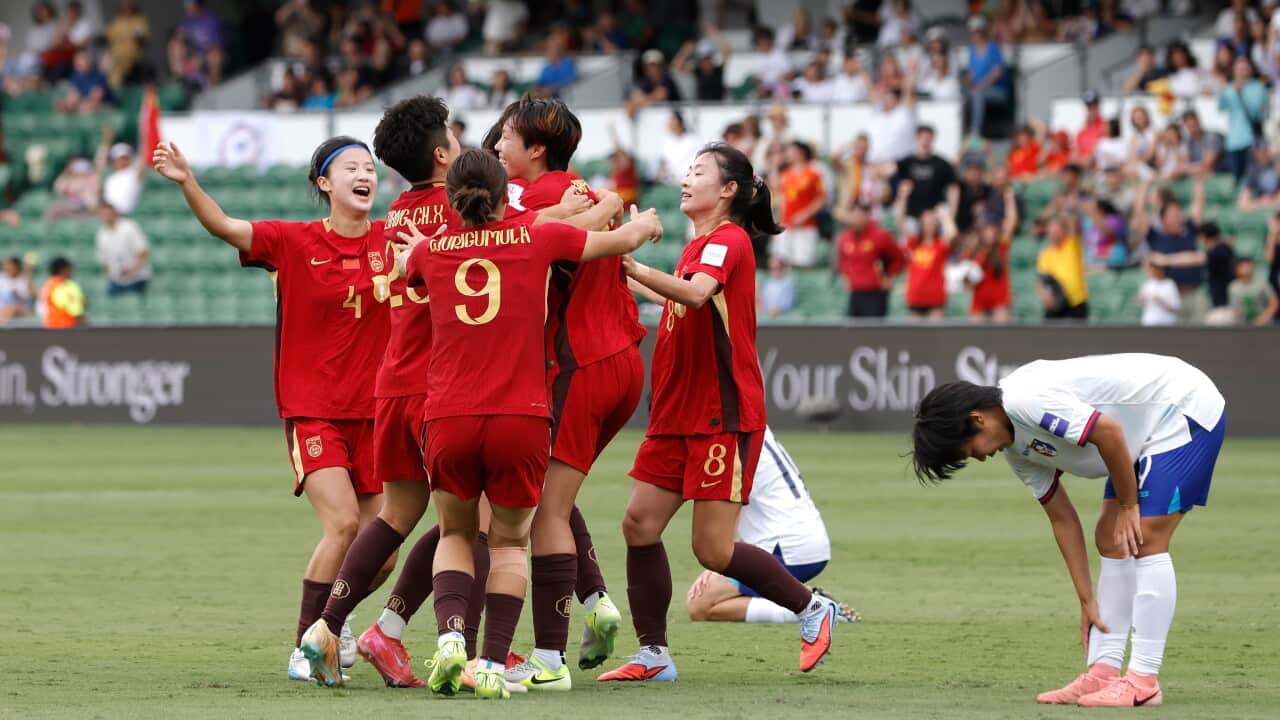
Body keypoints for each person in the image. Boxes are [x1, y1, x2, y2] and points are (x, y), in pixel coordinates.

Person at [395, 149, 661, 700]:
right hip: (520, 414)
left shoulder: (432, 250)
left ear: (452, 199)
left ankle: (449, 643)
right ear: (503, 196)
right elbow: (616, 243)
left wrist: (409, 258)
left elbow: (407, 271)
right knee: (512, 542)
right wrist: (641, 222)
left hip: (448, 414)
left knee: (456, 533)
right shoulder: (535, 238)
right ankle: (492, 663)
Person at [152, 136, 393, 684]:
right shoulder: (291, 241)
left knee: (380, 556)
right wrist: (189, 180)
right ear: (324, 184)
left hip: (377, 414)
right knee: (344, 525)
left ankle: (339, 615)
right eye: (350, 167)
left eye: (370, 167)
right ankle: (306, 646)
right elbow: (224, 227)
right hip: (313, 409)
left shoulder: (395, 239)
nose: (364, 174)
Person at [600, 142, 841, 683]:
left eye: (699, 172)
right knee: (639, 525)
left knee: (712, 549)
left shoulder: (728, 240)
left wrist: (629, 260)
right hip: (676, 415)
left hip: (719, 415)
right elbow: (680, 298)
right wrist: (627, 273)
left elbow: (694, 294)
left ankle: (811, 608)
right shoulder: (698, 244)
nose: (686, 179)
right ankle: (653, 656)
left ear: (729, 190)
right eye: (687, 170)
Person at [911, 354, 1226, 707]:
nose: (980, 457)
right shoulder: (1015, 451)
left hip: (1180, 405)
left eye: (970, 450)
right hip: (1139, 432)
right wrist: (1086, 598)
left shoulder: (1025, 400)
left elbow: (1108, 432)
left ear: (977, 419)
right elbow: (1061, 517)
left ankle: (1143, 682)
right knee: (1110, 538)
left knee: (1145, 537)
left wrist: (1128, 505)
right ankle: (1102, 673)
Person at [494, 97, 650, 691]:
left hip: (577, 365)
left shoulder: (532, 200)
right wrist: (613, 205)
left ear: (536, 149)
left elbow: (523, 238)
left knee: (542, 510)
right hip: (624, 363)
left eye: (507, 136)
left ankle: (550, 659)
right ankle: (597, 600)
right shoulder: (583, 190)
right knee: (549, 487)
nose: (498, 146)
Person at [686, 427, 857, 624]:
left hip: (785, 547)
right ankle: (809, 600)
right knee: (704, 599)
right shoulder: (749, 425)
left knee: (701, 605)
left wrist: (718, 561)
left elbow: (727, 498)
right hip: (800, 540)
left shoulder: (729, 431)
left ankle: (814, 607)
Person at [1134, 178, 1208, 323]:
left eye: (1178, 213)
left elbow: (1198, 205)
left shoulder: (1189, 231)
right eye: (1172, 214)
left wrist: (1198, 181)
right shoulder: (1156, 237)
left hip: (1194, 292)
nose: (1177, 217)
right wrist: (1144, 187)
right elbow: (1139, 214)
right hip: (1170, 296)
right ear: (1162, 219)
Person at [836, 200, 903, 319]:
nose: (856, 219)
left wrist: (890, 278)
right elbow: (843, 261)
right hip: (855, 292)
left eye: (860, 215)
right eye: (854, 215)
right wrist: (846, 275)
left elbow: (898, 258)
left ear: (867, 216)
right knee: (854, 333)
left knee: (874, 334)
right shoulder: (845, 238)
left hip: (875, 293)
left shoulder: (880, 236)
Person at [895, 190, 955, 322]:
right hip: (916, 297)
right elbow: (899, 221)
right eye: (926, 221)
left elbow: (952, 233)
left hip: (935, 298)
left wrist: (943, 216)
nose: (929, 225)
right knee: (916, 339)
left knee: (936, 338)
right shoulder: (914, 243)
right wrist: (903, 198)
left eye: (932, 222)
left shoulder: (940, 245)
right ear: (920, 223)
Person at [968, 189, 1018, 324]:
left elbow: (1011, 222)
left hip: (999, 301)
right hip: (979, 301)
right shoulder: (973, 251)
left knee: (1000, 338)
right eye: (986, 230)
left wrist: (1009, 200)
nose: (989, 233)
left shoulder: (1001, 247)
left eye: (992, 230)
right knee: (976, 340)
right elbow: (966, 279)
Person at [774, 141, 825, 269]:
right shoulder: (786, 174)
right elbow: (783, 198)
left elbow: (821, 199)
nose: (788, 154)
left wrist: (805, 214)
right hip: (787, 224)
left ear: (800, 153)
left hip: (806, 226)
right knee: (783, 260)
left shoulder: (813, 173)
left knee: (804, 262)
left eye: (792, 151)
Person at [1219, 55, 1267, 185]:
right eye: (1239, 68)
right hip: (1233, 141)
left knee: (1251, 180)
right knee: (1237, 180)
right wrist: (1223, 89)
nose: (1242, 71)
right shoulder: (1229, 88)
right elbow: (1221, 107)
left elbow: (1255, 113)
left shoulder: (1258, 87)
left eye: (1245, 68)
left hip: (1250, 140)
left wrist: (1240, 95)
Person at [893, 125, 958, 220]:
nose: (925, 141)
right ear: (917, 138)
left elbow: (953, 188)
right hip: (911, 216)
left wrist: (952, 215)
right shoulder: (906, 162)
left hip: (934, 217)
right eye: (922, 137)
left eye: (928, 138)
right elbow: (888, 171)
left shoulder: (942, 164)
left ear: (933, 139)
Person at [1037, 215, 1089, 321]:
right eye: (1051, 230)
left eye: (1057, 229)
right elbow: (1042, 280)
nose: (1054, 233)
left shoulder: (1073, 244)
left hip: (1076, 302)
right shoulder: (1045, 254)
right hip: (1057, 303)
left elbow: (1074, 225)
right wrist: (1045, 296)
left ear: (1064, 231)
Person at [965, 15, 1009, 138]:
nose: (974, 35)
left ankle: (975, 132)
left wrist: (981, 86)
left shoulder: (993, 47)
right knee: (963, 94)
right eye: (972, 32)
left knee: (977, 94)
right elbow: (971, 74)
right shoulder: (972, 50)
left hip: (997, 91)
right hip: (978, 89)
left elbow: (997, 72)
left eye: (976, 31)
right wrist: (967, 82)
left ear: (983, 31)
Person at [95, 201, 149, 295]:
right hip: (116, 281)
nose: (106, 216)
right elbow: (103, 260)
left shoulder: (129, 227)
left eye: (108, 213)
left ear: (114, 212)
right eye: (103, 214)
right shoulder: (102, 234)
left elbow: (142, 252)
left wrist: (132, 271)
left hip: (137, 279)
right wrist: (111, 275)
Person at [1201, 222, 1236, 321]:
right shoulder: (1224, 248)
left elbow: (1198, 258)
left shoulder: (1220, 250)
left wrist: (1167, 259)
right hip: (1220, 303)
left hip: (1224, 305)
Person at [1228, 256, 1279, 325]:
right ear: (1236, 269)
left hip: (1264, 322)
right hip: (1243, 323)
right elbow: (1234, 309)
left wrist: (1264, 317)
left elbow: (1274, 303)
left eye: (1248, 266)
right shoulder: (1233, 287)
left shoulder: (1262, 283)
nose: (1246, 269)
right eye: (1242, 266)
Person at [38, 256, 85, 329]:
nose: (72, 272)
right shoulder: (64, 286)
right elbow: (75, 311)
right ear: (63, 270)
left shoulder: (47, 285)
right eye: (70, 269)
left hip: (50, 327)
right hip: (65, 328)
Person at [1137, 258, 1180, 326]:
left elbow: (1175, 307)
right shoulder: (1148, 283)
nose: (1155, 270)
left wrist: (1160, 301)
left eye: (1158, 268)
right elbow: (1140, 302)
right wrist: (1142, 298)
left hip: (1166, 322)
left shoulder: (1169, 284)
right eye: (1154, 268)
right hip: (1149, 321)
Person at [0, 255, 36, 323]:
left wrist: (18, 295)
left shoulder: (25, 280)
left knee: (13, 309)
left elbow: (33, 296)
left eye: (11, 266)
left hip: (23, 308)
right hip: (4, 309)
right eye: (7, 266)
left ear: (17, 267)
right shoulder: (2, 280)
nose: (9, 268)